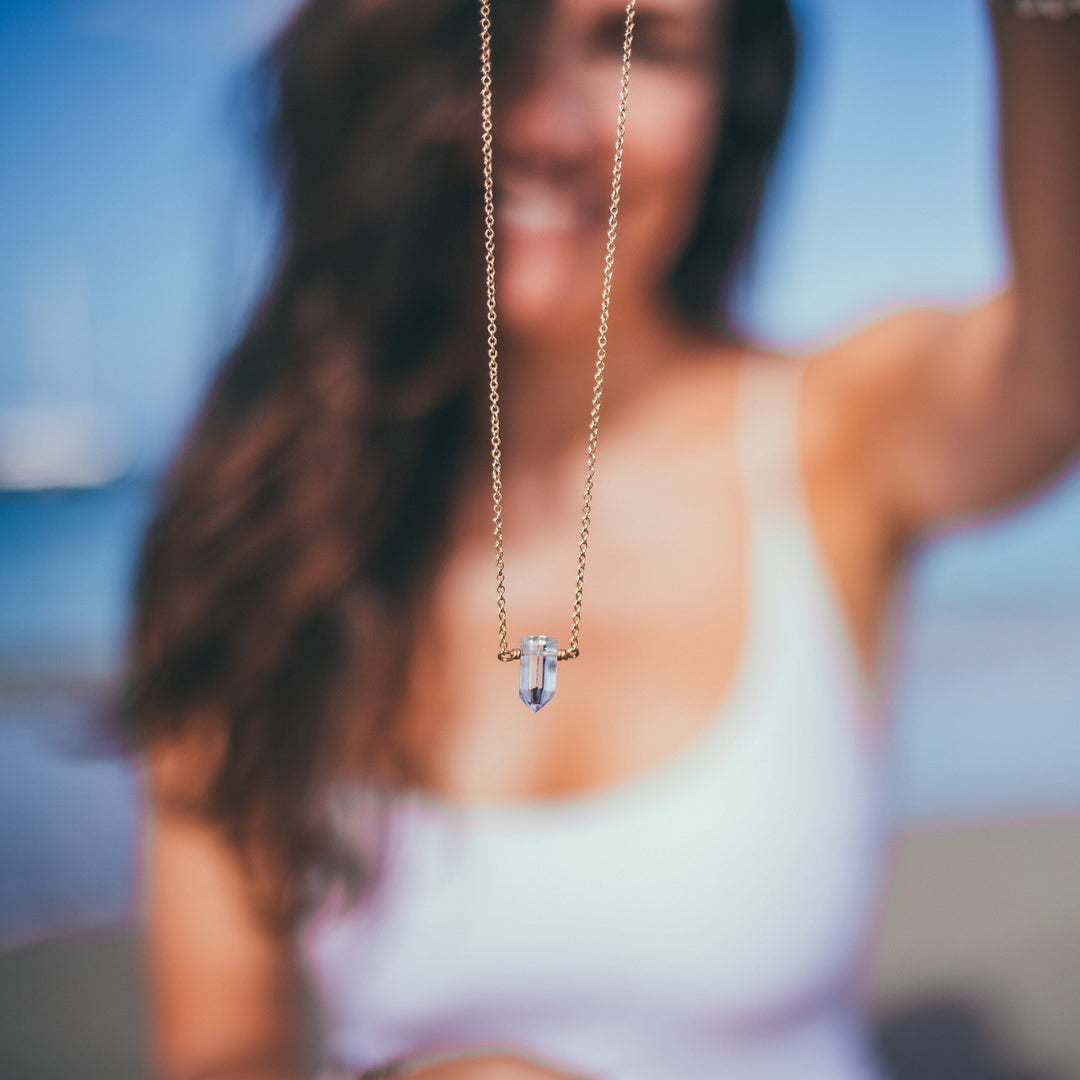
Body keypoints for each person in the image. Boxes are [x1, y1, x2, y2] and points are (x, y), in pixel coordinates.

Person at [123, 0, 1080, 1077]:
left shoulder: (830, 433)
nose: (550, 125)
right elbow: (218, 1048)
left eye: (643, 44)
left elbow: (1053, 377)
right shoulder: (254, 528)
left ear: (734, 107)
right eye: (498, 37)